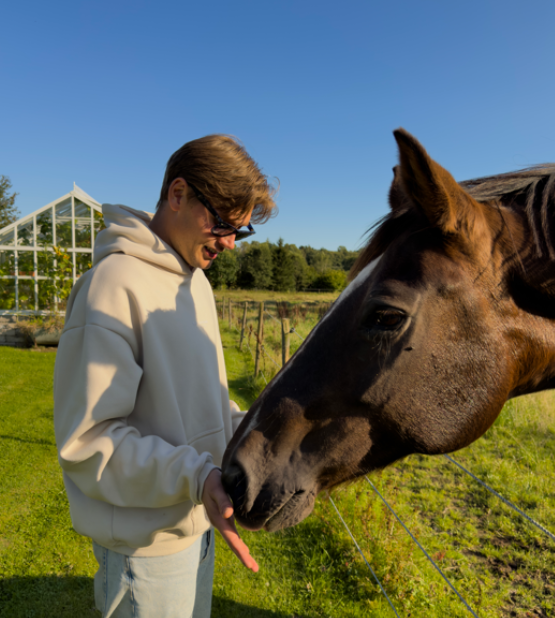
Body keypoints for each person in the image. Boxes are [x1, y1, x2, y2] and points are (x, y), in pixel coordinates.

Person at [53, 135, 277, 618]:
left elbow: (197, 404)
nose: (230, 243)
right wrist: (196, 476)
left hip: (196, 525)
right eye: (222, 223)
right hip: (144, 553)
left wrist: (256, 431)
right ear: (178, 194)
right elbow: (89, 443)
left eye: (241, 231)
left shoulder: (193, 283)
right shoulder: (112, 286)